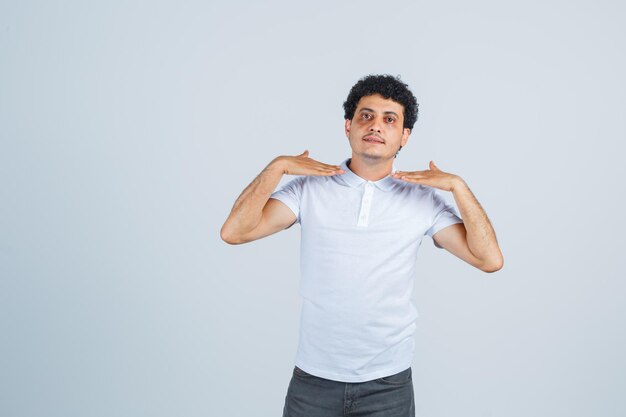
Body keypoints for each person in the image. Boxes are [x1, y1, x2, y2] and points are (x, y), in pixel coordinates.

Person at [220, 74, 503, 417]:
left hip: (388, 384)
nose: (376, 126)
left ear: (404, 136)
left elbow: (489, 260)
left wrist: (458, 187)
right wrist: (277, 167)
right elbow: (235, 232)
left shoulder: (422, 200)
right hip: (314, 380)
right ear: (348, 126)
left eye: (389, 119)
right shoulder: (310, 188)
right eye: (365, 116)